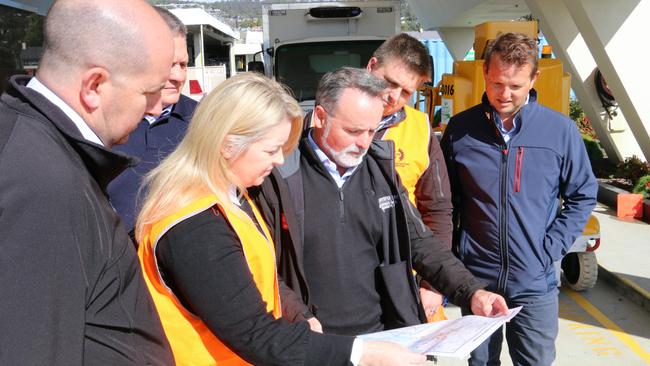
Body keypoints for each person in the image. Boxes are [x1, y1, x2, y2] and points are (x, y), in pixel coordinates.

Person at [135, 72, 428, 366]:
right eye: (271, 149)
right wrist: (362, 354)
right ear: (227, 145)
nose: (278, 160)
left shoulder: (230, 198)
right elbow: (254, 333)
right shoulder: (196, 224)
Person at [253, 67, 508, 338]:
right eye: (352, 131)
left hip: (380, 338)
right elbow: (260, 268)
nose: (363, 143)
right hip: (312, 341)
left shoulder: (380, 169)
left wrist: (472, 291)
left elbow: (420, 241)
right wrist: (298, 317)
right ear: (320, 117)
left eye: (371, 131)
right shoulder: (280, 175)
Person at [0, 0, 174, 364]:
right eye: (148, 92)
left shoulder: (41, 150)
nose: (157, 108)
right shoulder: (42, 184)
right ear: (94, 85)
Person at [440, 33, 597, 366]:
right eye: (497, 83)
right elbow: (445, 202)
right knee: (481, 363)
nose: (504, 94)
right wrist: (455, 255)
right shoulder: (460, 130)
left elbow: (583, 195)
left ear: (534, 79)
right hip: (476, 280)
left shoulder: (560, 131)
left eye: (515, 85)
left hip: (534, 282)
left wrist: (550, 248)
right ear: (485, 72)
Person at [366, 33, 453, 321]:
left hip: (407, 280)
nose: (394, 97)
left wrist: (432, 284)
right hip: (345, 284)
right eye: (389, 82)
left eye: (406, 92)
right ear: (371, 66)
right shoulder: (323, 120)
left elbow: (437, 210)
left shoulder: (420, 129)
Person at [108, 7, 198, 235]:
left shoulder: (202, 121)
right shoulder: (103, 123)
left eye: (184, 65)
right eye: (169, 64)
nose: (179, 77)